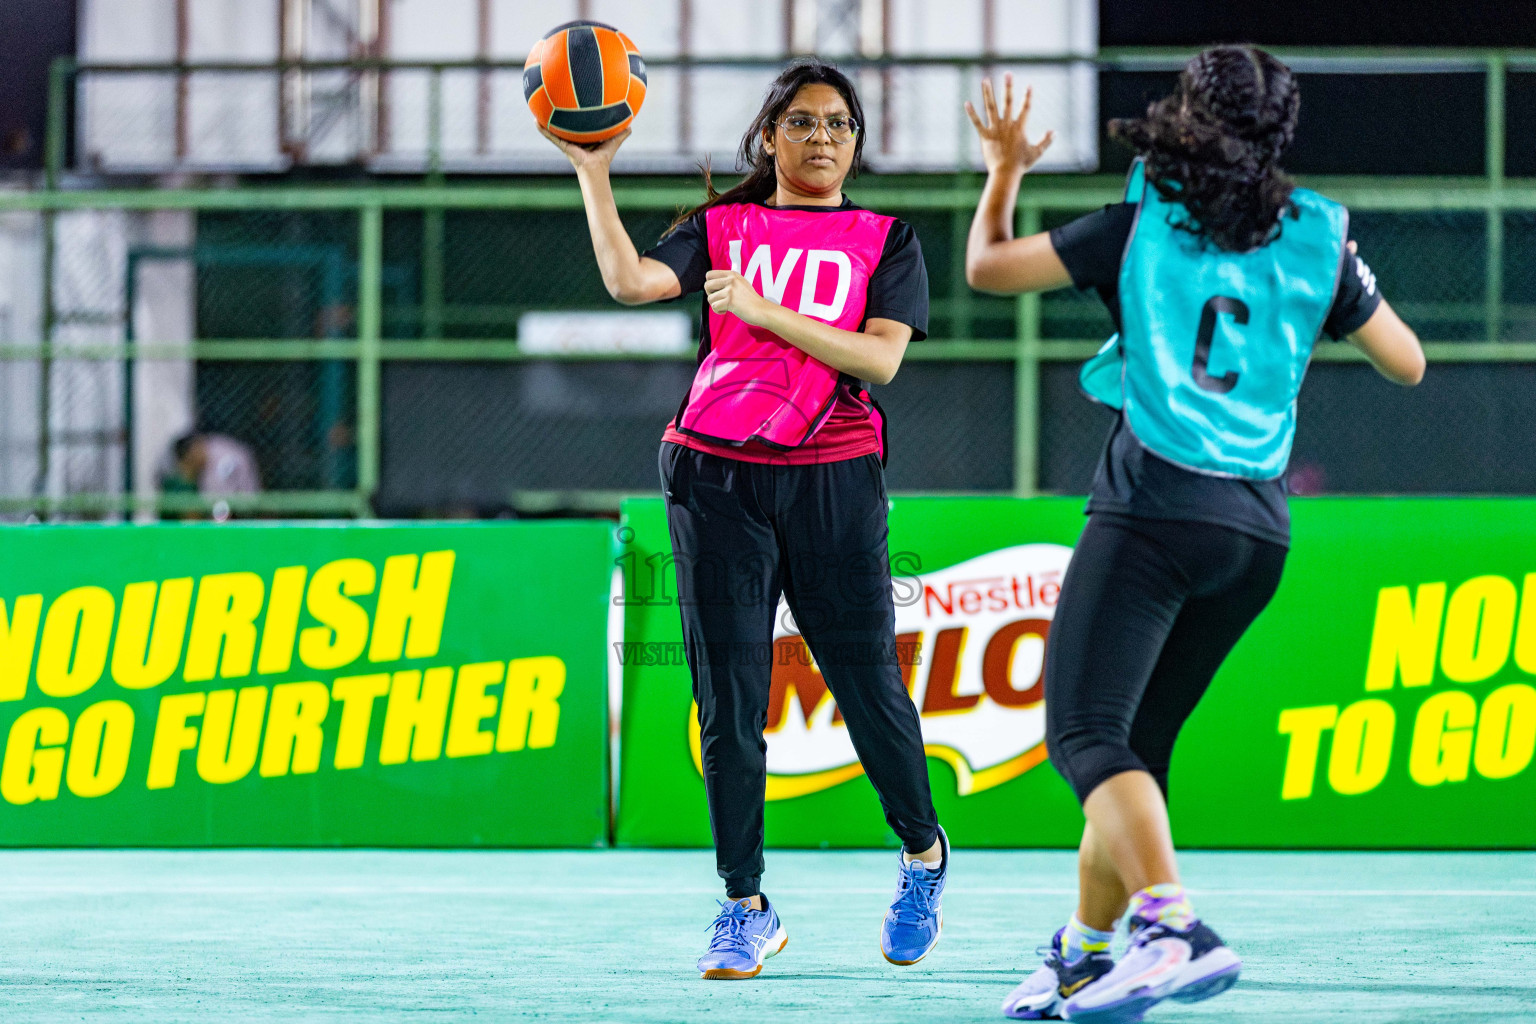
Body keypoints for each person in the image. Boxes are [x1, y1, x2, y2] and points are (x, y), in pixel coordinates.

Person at [964, 49, 1424, 1022]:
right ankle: (1087, 950)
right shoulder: (1318, 234)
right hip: (1256, 533)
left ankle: (1174, 928)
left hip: (1154, 509)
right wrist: (1335, 290)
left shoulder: (1138, 226)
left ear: (1183, 116)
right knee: (1136, 748)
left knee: (1085, 734)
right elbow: (1407, 363)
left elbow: (986, 269)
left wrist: (1005, 168)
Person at [541, 59, 948, 980]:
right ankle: (743, 905)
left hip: (836, 480)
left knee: (868, 687)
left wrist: (765, 311)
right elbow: (631, 282)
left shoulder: (886, 238)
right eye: (802, 123)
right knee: (728, 704)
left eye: (840, 125)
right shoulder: (723, 226)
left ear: (857, 141)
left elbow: (878, 363)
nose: (822, 138)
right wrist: (592, 171)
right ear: (769, 136)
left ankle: (923, 856)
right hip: (716, 475)